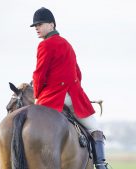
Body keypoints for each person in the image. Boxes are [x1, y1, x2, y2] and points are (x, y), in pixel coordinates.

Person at [30, 7, 109, 169]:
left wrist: (37, 96)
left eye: (40, 24)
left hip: (50, 99)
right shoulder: (67, 45)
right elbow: (78, 74)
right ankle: (101, 165)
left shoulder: (44, 45)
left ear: (52, 24)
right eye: (35, 26)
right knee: (95, 128)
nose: (36, 28)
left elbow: (39, 75)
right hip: (70, 97)